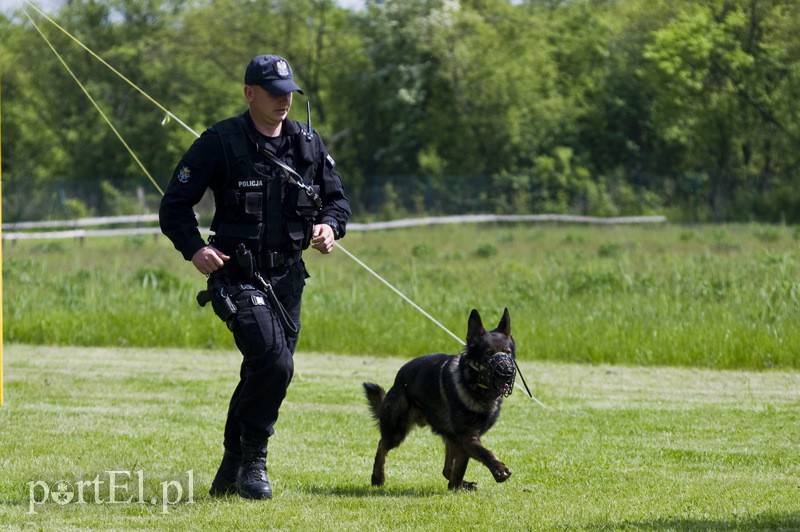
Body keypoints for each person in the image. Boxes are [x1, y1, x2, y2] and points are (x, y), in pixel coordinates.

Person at [159, 54, 351, 500]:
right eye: (273, 92)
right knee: (275, 362)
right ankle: (255, 462)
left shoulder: (307, 143)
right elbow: (174, 206)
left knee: (263, 372)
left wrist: (328, 227)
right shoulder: (220, 141)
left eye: (289, 92)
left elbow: (336, 202)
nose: (284, 100)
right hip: (237, 276)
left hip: (288, 278)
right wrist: (195, 249)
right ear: (249, 93)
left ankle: (231, 466)